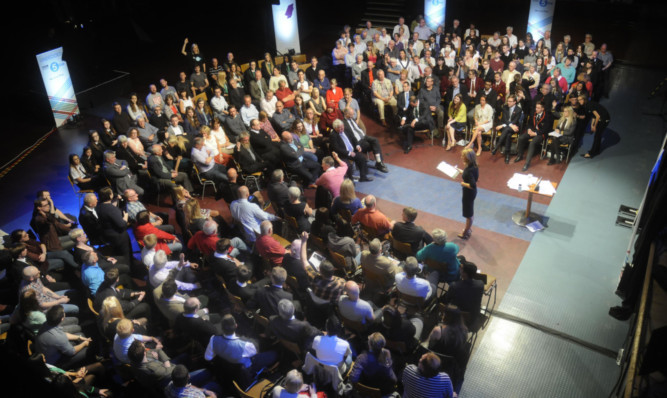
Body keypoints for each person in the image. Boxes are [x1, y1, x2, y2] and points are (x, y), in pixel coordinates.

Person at [204, 314, 278, 374]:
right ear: (236, 326)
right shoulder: (246, 345)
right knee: (274, 354)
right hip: (245, 370)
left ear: (222, 328)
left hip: (227, 369)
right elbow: (255, 353)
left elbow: (208, 357)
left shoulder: (213, 339)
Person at [515, 101, 553, 171]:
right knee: (521, 138)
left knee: (532, 143)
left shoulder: (547, 116)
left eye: (538, 108)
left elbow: (546, 129)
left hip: (541, 134)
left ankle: (527, 163)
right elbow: (529, 124)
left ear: (542, 109)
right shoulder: (533, 113)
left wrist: (535, 133)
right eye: (536, 107)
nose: (536, 109)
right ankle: (520, 155)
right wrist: (529, 129)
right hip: (532, 131)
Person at [491, 95, 523, 163]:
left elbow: (516, 121)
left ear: (514, 102)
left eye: (510, 101)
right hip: (507, 126)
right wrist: (506, 125)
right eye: (508, 101)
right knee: (508, 134)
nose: (508, 103)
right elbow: (505, 119)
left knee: (508, 131)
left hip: (514, 127)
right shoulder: (505, 107)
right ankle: (507, 155)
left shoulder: (518, 110)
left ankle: (496, 147)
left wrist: (505, 125)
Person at [458, 148, 478, 239]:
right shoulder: (473, 166)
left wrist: (463, 184)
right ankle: (468, 229)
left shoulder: (469, 170)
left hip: (468, 193)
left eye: (463, 156)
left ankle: (466, 232)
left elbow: (472, 185)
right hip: (471, 193)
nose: (461, 157)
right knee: (470, 212)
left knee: (468, 215)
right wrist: (461, 171)